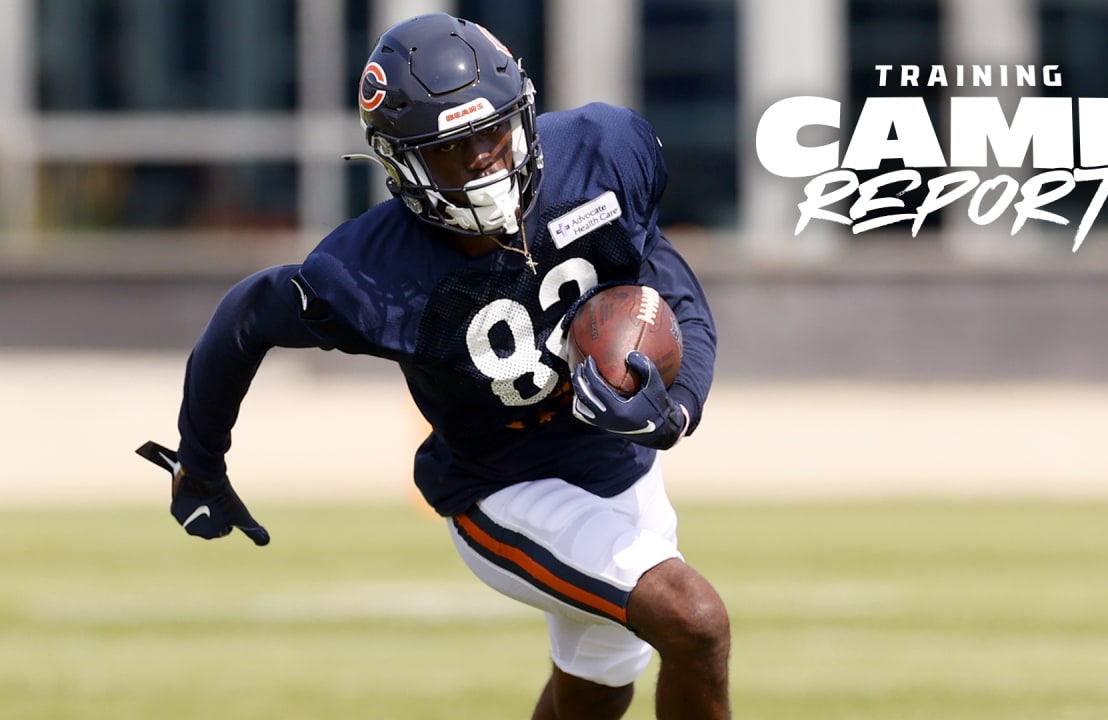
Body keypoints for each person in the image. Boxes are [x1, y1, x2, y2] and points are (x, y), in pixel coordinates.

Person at [152, 12, 729, 720]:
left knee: (596, 693)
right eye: (453, 149)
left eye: (492, 132)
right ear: (401, 164)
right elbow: (246, 317)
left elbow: (668, 289)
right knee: (696, 621)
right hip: (500, 488)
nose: (485, 158)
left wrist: (679, 409)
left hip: (620, 474)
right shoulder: (368, 273)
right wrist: (201, 460)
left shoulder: (602, 153)